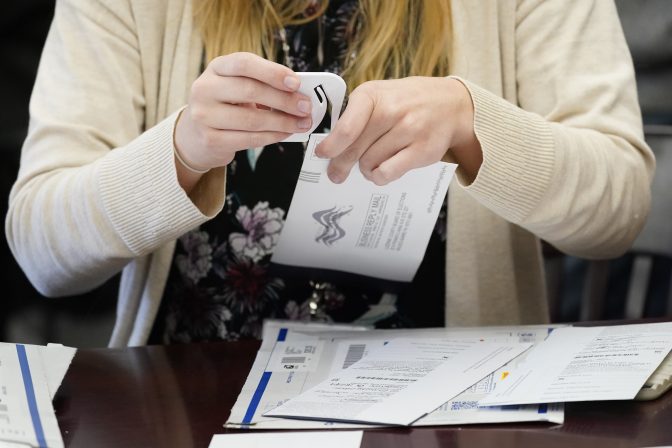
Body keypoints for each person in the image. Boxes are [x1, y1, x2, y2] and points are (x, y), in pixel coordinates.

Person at [6, 0, 654, 347]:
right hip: (190, 405)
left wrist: (473, 124)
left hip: (451, 410)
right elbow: (43, 250)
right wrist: (179, 151)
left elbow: (619, 207)